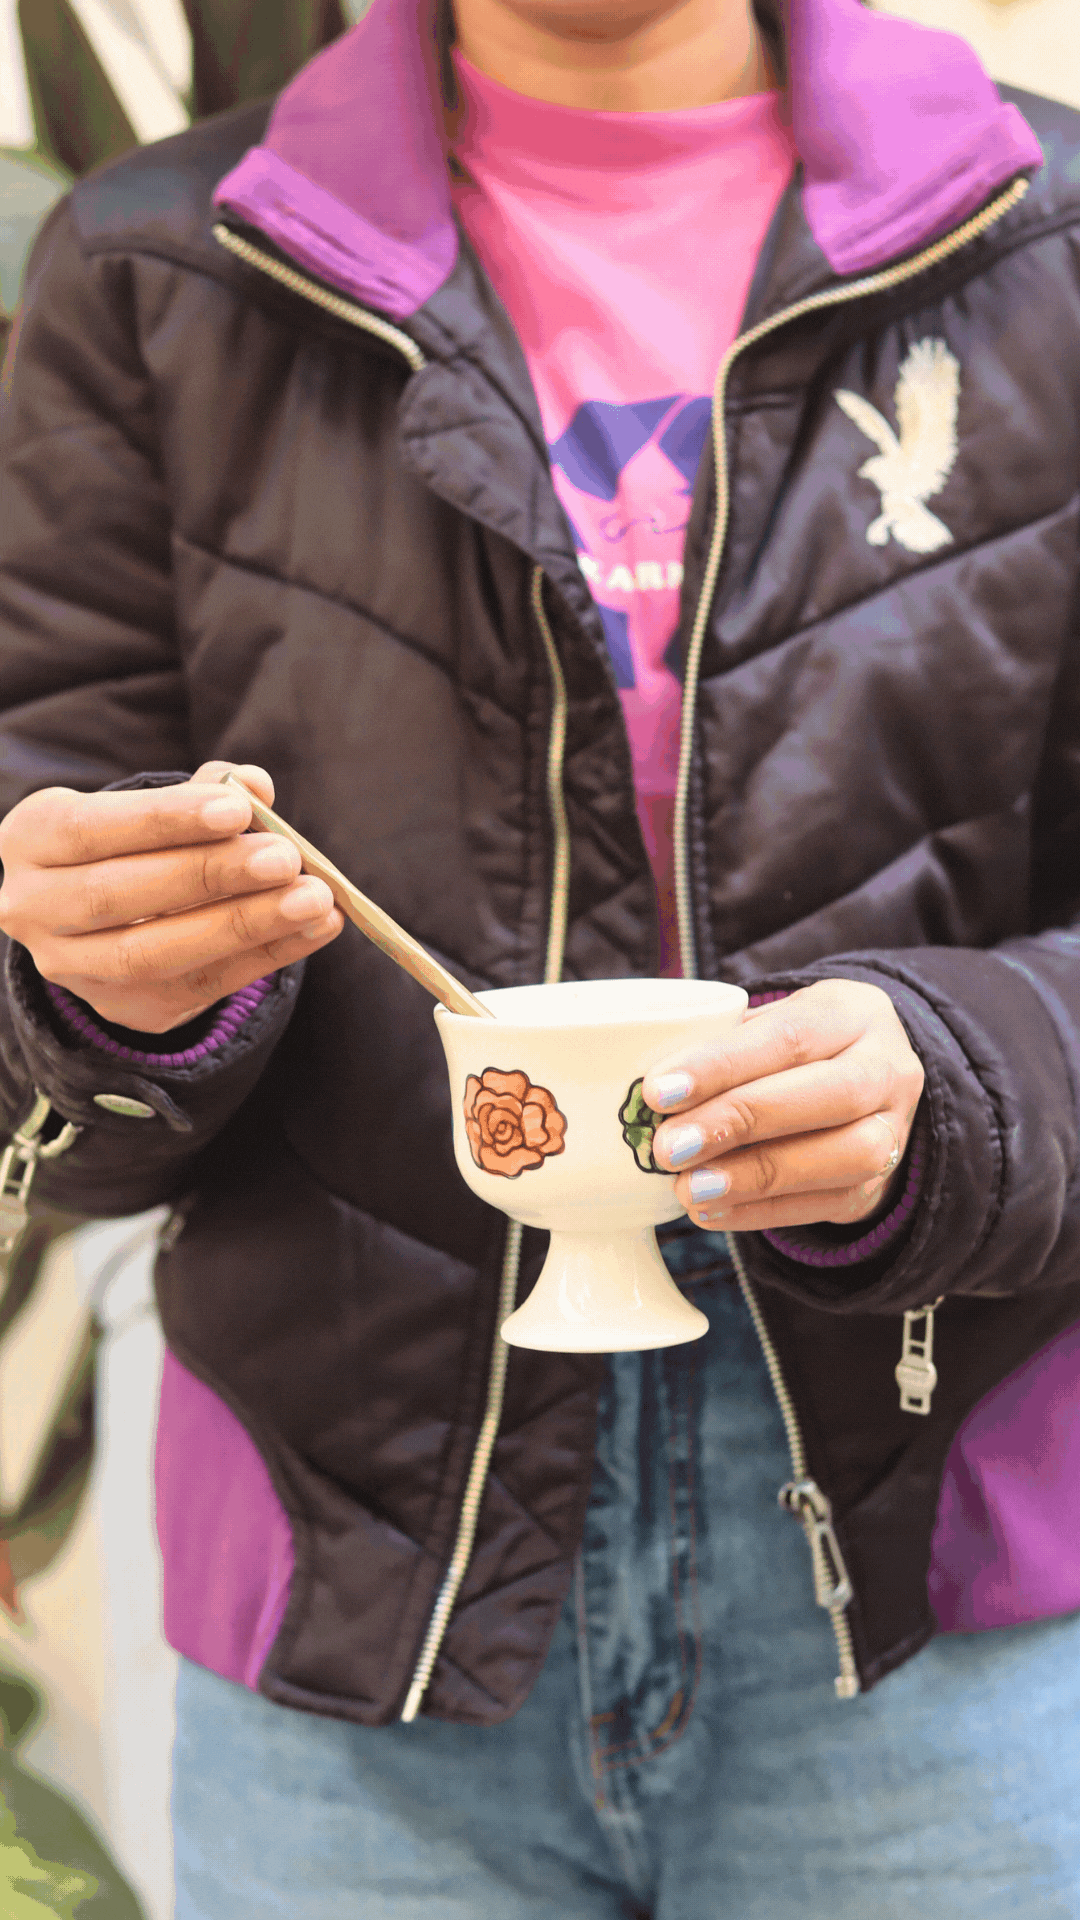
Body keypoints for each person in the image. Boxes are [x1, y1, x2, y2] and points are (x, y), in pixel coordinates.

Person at [0, 0, 1078, 1910]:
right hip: (363, 1566)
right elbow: (54, 1108)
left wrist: (963, 1072)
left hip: (940, 1540)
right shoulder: (154, 270)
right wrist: (99, 998)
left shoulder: (1045, 239)